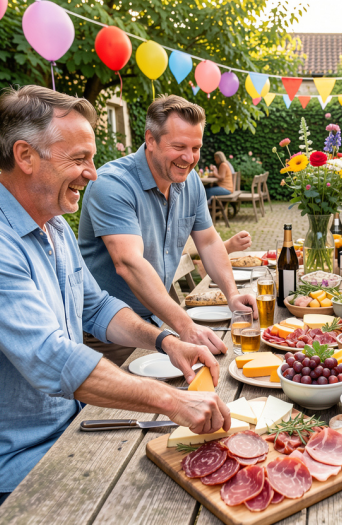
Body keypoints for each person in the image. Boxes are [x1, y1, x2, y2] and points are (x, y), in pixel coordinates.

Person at [0, 86, 231, 525]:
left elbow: (97, 307)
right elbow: (50, 358)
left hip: (63, 431)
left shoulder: (53, 227)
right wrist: (173, 402)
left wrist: (165, 340)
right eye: (79, 159)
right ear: (25, 156)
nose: (92, 173)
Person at [78, 95, 257, 366]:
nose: (189, 158)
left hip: (162, 322)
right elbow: (129, 263)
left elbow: (208, 242)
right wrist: (185, 326)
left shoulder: (190, 180)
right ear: (151, 140)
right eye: (179, 146)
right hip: (112, 334)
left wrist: (231, 294)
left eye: (196, 148)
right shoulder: (113, 184)